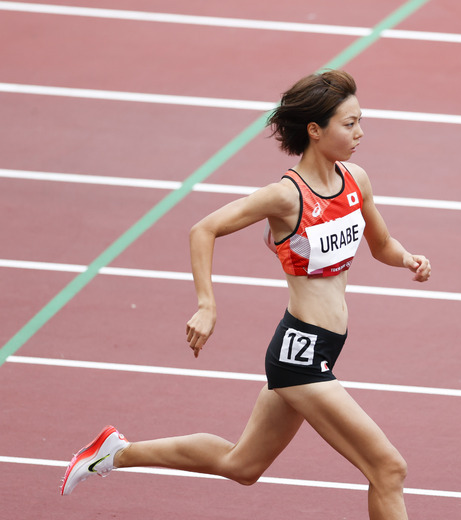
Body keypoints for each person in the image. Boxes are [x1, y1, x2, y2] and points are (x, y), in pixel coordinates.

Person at [60, 70, 431, 520]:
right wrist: (206, 304)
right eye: (349, 123)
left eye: (360, 121)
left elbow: (381, 246)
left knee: (243, 464)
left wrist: (408, 258)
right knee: (388, 469)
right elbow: (205, 229)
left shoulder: (356, 180)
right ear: (315, 130)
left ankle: (114, 452)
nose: (360, 133)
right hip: (302, 354)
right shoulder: (285, 197)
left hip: (322, 347)